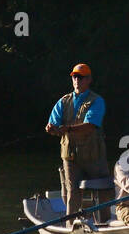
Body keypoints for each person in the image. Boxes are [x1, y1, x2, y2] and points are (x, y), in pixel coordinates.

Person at [45, 63, 112, 217]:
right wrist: (51, 128)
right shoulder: (63, 101)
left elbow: (90, 125)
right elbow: (54, 123)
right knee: (72, 192)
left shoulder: (97, 101)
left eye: (80, 77)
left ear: (89, 79)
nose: (77, 79)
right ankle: (72, 225)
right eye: (74, 76)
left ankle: (105, 222)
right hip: (70, 157)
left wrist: (67, 129)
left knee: (102, 190)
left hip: (94, 155)